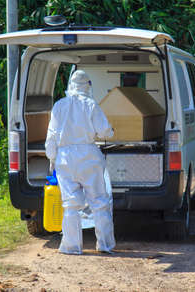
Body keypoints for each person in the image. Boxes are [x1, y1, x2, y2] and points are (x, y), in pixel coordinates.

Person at [45, 70, 115, 255]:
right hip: (89, 157)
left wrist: (52, 159)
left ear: (70, 84)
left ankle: (71, 246)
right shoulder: (91, 104)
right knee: (99, 202)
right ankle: (105, 245)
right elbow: (105, 131)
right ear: (87, 85)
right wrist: (111, 131)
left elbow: (51, 136)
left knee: (70, 205)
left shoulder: (59, 106)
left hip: (65, 159)